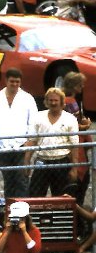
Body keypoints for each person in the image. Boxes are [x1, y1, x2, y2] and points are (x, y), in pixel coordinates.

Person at [0, 68, 37, 198]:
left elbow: (33, 122)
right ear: (6, 81)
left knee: (21, 179)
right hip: (3, 146)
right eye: (12, 81)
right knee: (8, 179)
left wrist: (30, 141)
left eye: (17, 82)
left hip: (22, 145)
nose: (15, 84)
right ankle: (9, 210)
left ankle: (23, 211)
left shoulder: (27, 98)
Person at [25, 88, 79, 197]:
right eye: (50, 100)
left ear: (62, 102)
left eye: (56, 100)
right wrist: (26, 162)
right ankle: (36, 214)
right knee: (35, 195)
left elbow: (74, 146)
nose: (53, 103)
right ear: (46, 101)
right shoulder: (38, 117)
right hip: (41, 161)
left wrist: (74, 168)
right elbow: (32, 141)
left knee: (61, 196)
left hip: (61, 162)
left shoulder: (70, 119)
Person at [63, 71, 92, 205]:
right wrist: (85, 125)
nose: (82, 87)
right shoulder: (69, 101)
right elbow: (74, 124)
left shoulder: (68, 100)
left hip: (78, 146)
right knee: (79, 190)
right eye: (80, 84)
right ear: (74, 86)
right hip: (76, 148)